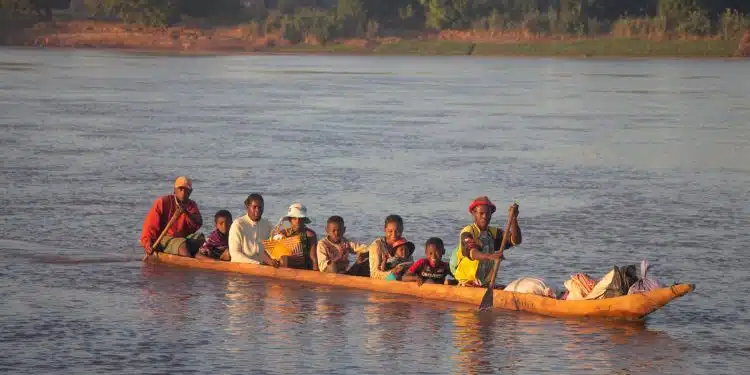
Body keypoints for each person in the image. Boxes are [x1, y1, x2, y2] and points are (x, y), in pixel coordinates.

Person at [451, 196, 521, 287]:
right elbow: (472, 253)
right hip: (466, 281)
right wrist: (490, 256)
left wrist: (514, 219)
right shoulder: (468, 231)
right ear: (474, 213)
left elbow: (515, 240)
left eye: (488, 213)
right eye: (481, 213)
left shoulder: (492, 232)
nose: (485, 216)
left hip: (484, 283)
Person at [140, 176, 203, 257]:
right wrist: (148, 244)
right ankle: (188, 263)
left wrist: (186, 212)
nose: (183, 192)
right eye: (180, 189)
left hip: (182, 238)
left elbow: (197, 224)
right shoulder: (162, 202)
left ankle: (200, 258)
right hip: (164, 239)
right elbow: (150, 227)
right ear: (175, 190)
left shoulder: (192, 205)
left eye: (186, 190)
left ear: (190, 192)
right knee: (182, 245)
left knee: (200, 238)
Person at [228, 193, 277, 265]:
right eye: (254, 207)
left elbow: (273, 248)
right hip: (241, 268)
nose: (257, 210)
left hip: (263, 267)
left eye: (260, 207)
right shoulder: (238, 225)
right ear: (247, 207)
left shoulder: (268, 225)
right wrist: (257, 264)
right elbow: (235, 255)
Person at [270, 203, 318, 270]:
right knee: (280, 258)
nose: (298, 221)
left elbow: (313, 257)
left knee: (285, 259)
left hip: (303, 264)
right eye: (294, 218)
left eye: (300, 219)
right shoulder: (283, 232)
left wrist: (315, 273)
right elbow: (274, 251)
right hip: (285, 262)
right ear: (290, 220)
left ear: (304, 220)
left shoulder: (309, 234)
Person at [366, 214, 406, 280]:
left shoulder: (404, 244)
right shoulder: (377, 245)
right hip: (383, 281)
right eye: (390, 231)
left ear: (402, 230)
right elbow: (374, 274)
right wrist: (392, 272)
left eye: (398, 231)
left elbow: (409, 262)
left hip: (400, 276)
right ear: (385, 230)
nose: (394, 235)